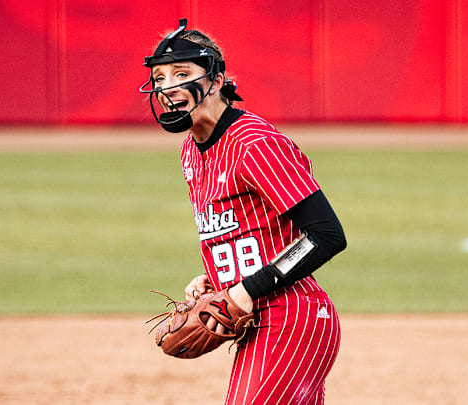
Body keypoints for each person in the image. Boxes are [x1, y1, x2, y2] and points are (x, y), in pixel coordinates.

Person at [140, 19, 347, 404]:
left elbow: (327, 235)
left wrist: (246, 288)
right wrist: (218, 279)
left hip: (293, 317)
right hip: (262, 321)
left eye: (181, 74)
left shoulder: (254, 144)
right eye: (160, 77)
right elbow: (252, 231)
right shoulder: (191, 152)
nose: (167, 87)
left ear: (216, 80)